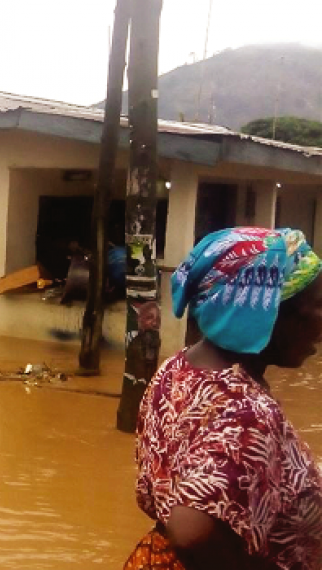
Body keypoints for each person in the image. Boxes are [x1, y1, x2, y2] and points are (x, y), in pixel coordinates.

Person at [124, 227, 322, 570]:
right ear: (264, 310)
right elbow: (191, 532)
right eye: (318, 305)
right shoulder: (247, 412)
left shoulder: (176, 369)